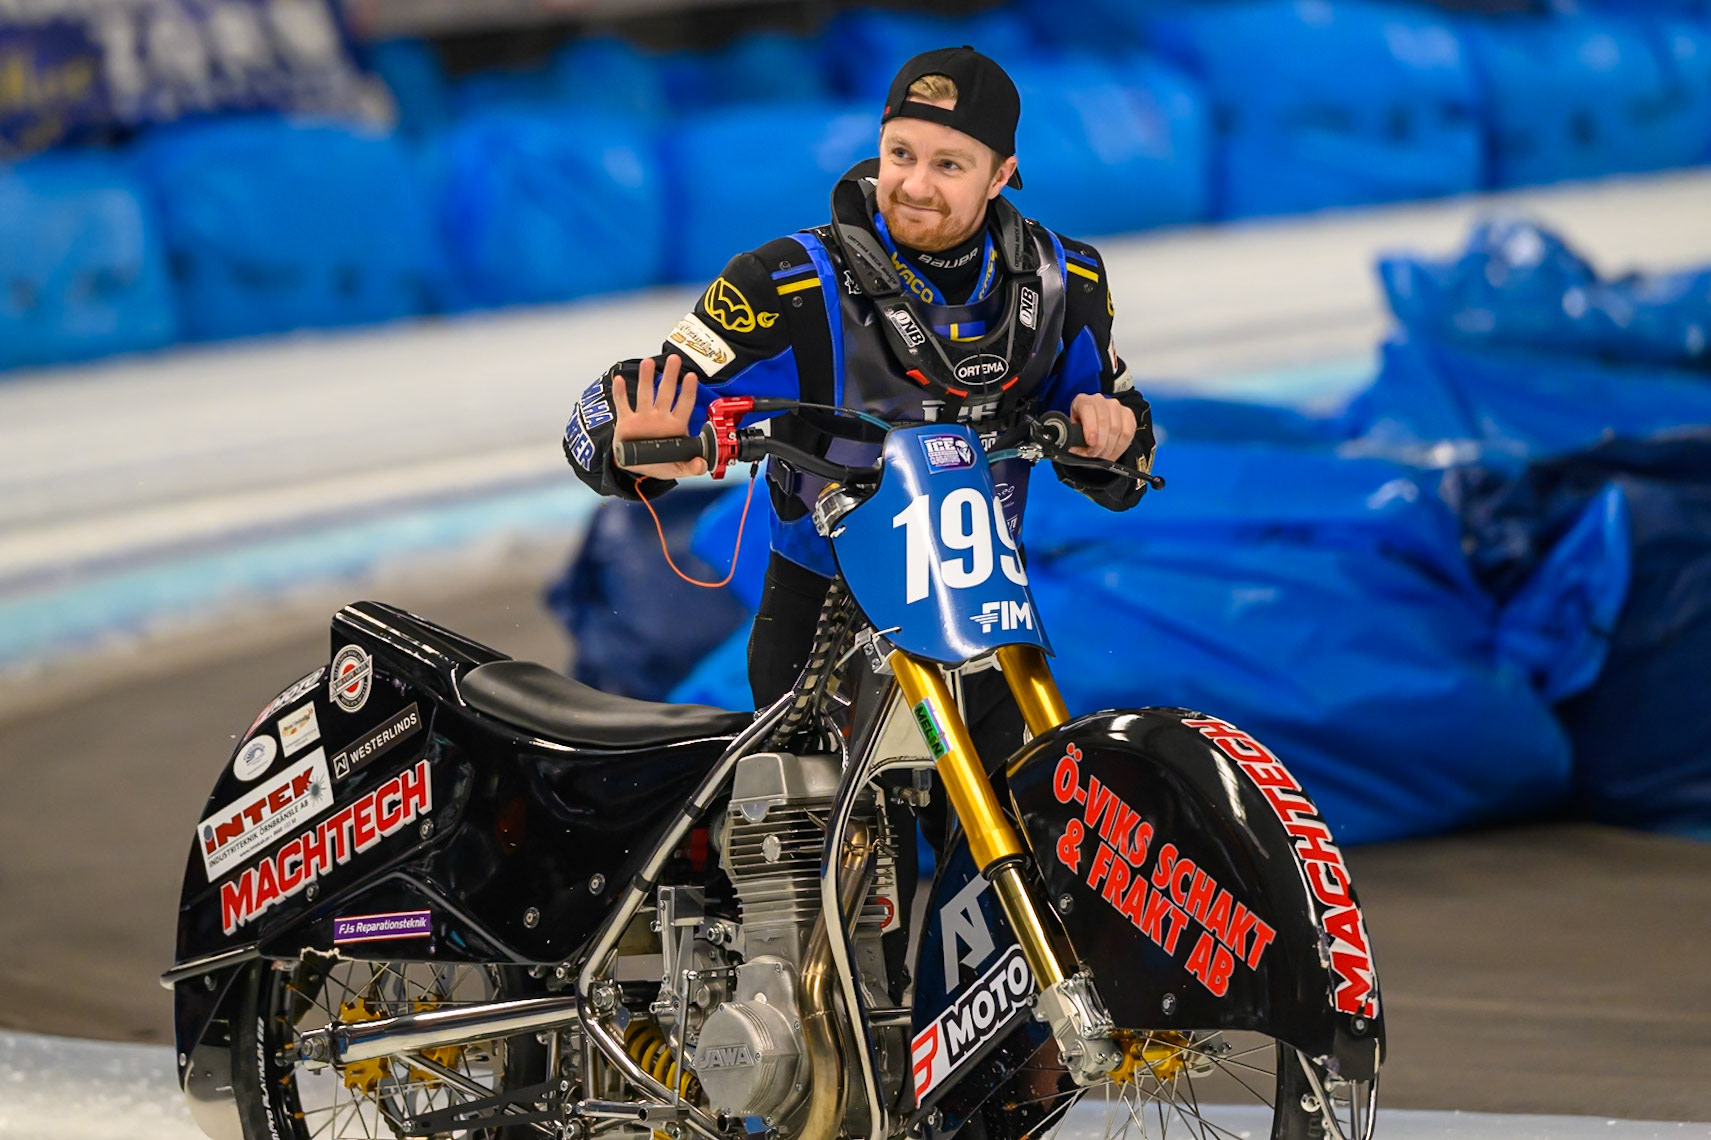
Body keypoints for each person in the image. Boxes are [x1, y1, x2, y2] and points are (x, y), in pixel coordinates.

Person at [565, 45, 1156, 744]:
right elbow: (607, 412)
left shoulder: (1069, 279)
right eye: (900, 153)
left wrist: (1107, 432)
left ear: (1001, 174)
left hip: (983, 604)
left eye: (948, 164)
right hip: (819, 615)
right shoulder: (783, 280)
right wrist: (633, 449)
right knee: (804, 840)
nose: (913, 184)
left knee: (1014, 829)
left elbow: (1129, 459)